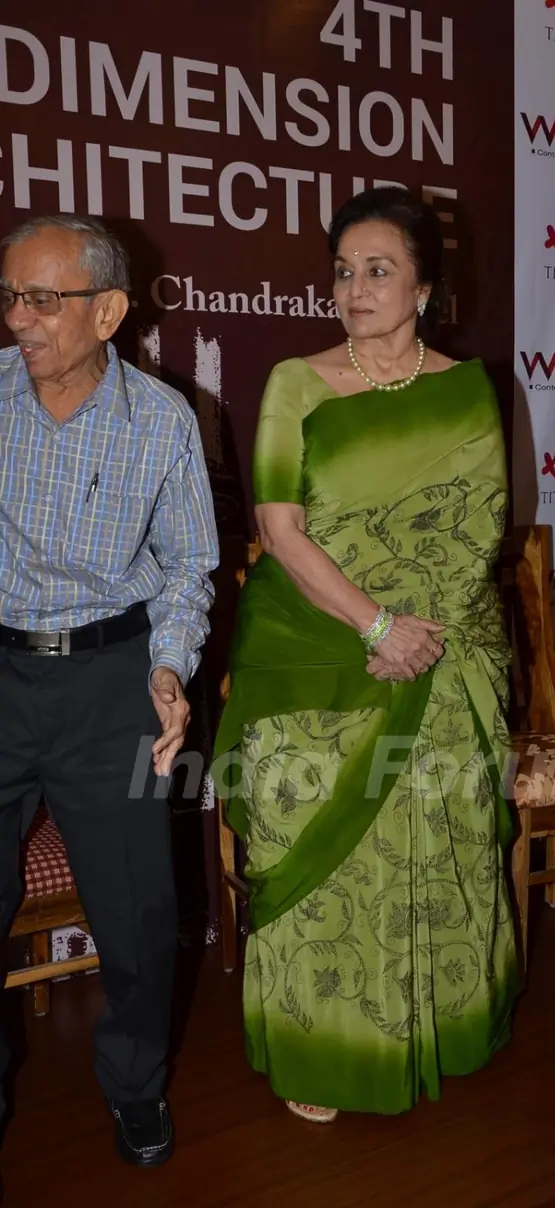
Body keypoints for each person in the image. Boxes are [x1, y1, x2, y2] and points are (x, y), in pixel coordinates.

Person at [214, 187, 518, 1121]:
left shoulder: (466, 392)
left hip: (441, 643)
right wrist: (378, 627)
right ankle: (328, 1046)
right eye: (343, 271)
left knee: (440, 825)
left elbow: (481, 526)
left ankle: (434, 1019)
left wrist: (419, 634)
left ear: (426, 286)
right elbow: (279, 525)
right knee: (312, 821)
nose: (354, 288)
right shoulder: (295, 385)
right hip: (314, 647)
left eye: (378, 270)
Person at [0, 215, 218, 1161]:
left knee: (139, 916)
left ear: (110, 312)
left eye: (43, 299)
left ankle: (135, 1086)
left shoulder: (162, 419)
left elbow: (188, 571)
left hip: (113, 681)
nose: (20, 319)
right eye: (10, 296)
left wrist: (168, 668)